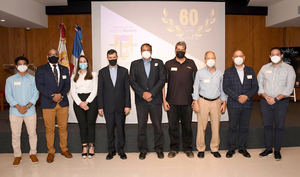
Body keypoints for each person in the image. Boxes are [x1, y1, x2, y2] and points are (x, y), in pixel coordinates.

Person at [257, 47, 296, 160]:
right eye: (272, 54)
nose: (275, 56)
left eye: (277, 54)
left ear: (281, 55)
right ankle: (268, 148)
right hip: (265, 101)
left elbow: (289, 87)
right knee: (267, 125)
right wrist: (266, 97)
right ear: (269, 56)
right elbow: (259, 84)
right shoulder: (264, 68)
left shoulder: (289, 69)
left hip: (281, 102)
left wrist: (276, 99)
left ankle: (277, 150)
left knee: (279, 126)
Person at [35, 49, 72, 163]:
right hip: (48, 103)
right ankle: (51, 152)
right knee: (49, 129)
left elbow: (67, 85)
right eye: (51, 55)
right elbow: (39, 86)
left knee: (63, 128)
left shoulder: (64, 69)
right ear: (47, 56)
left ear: (58, 56)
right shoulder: (41, 69)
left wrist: (60, 95)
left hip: (62, 102)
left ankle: (64, 149)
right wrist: (52, 96)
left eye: (55, 54)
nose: (53, 56)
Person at [130, 43, 166, 160]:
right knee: (141, 126)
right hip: (141, 101)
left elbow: (162, 80)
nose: (145, 51)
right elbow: (133, 81)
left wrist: (151, 93)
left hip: (155, 100)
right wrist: (143, 94)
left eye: (147, 50)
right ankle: (143, 150)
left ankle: (159, 149)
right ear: (141, 52)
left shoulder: (159, 63)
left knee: (158, 126)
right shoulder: (135, 64)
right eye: (143, 50)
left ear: (151, 51)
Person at [163, 41, 197, 158]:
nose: (180, 51)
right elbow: (163, 84)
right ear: (175, 50)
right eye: (178, 49)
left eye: (182, 49)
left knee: (187, 127)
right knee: (173, 127)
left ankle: (188, 149)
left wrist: (195, 100)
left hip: (188, 101)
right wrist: (164, 100)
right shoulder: (168, 64)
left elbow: (196, 84)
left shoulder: (191, 64)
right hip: (171, 102)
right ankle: (174, 148)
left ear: (185, 50)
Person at [223, 50, 258, 158]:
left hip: (247, 103)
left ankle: (242, 148)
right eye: (236, 56)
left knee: (244, 127)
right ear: (233, 58)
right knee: (233, 126)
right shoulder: (228, 71)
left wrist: (246, 96)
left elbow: (255, 87)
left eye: (240, 56)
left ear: (244, 57)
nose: (238, 57)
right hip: (234, 103)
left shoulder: (250, 70)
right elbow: (226, 87)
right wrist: (237, 97)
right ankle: (231, 148)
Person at [5, 56, 39, 166]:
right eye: (20, 64)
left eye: (24, 63)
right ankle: (17, 155)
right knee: (15, 134)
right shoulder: (10, 80)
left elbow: (36, 93)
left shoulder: (33, 79)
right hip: (15, 111)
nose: (22, 66)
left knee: (32, 133)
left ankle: (33, 153)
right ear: (16, 66)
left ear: (28, 65)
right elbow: (8, 95)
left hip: (30, 111)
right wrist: (18, 106)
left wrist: (28, 106)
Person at [192, 51, 227, 158]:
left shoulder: (220, 74)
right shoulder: (200, 73)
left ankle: (214, 148)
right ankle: (201, 148)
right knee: (201, 127)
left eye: (212, 58)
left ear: (215, 59)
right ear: (205, 60)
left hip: (216, 102)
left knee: (216, 126)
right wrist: (195, 102)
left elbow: (222, 89)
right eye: (208, 58)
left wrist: (224, 102)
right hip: (202, 101)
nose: (210, 60)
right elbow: (196, 88)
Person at [98, 49, 131, 160]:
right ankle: (111, 151)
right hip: (107, 107)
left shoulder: (124, 71)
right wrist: (100, 106)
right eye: (110, 58)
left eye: (114, 57)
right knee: (110, 130)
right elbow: (100, 90)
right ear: (107, 58)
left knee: (121, 129)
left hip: (121, 106)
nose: (112, 59)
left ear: (117, 57)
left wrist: (127, 105)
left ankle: (121, 151)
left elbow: (127, 89)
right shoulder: (102, 72)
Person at [70, 55, 98, 159]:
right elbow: (73, 92)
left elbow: (95, 90)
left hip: (91, 100)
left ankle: (91, 146)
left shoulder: (94, 75)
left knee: (90, 123)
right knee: (82, 124)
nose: (82, 63)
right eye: (80, 62)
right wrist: (80, 103)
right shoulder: (74, 76)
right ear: (78, 64)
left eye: (84, 61)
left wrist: (87, 102)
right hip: (78, 102)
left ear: (87, 63)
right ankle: (84, 146)